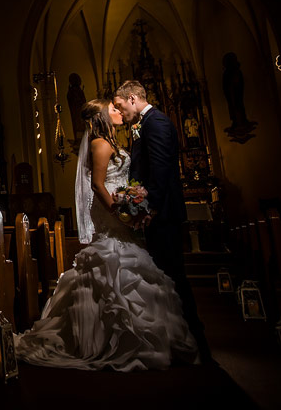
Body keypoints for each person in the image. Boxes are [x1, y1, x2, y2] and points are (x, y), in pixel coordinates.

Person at [14, 98, 199, 371]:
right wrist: (119, 211)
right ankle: (115, 341)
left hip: (119, 215)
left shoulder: (110, 142)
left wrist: (130, 199)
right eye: (112, 108)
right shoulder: (101, 144)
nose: (117, 110)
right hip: (111, 218)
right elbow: (98, 185)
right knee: (113, 274)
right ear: (102, 115)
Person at [112, 80, 212, 361]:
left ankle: (197, 341)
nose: (120, 113)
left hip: (163, 216)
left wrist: (149, 208)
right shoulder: (145, 125)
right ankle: (179, 338)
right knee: (165, 278)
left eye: (120, 106)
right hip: (157, 214)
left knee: (173, 277)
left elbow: (162, 171)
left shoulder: (156, 124)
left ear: (132, 99)